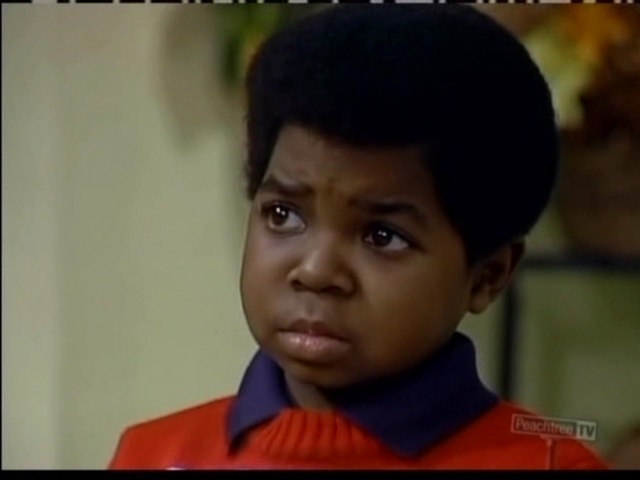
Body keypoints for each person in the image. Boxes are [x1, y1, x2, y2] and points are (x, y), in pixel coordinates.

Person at [108, 4, 608, 470]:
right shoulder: (155, 454)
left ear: (488, 275)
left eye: (382, 236)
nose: (315, 271)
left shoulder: (549, 463)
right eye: (283, 215)